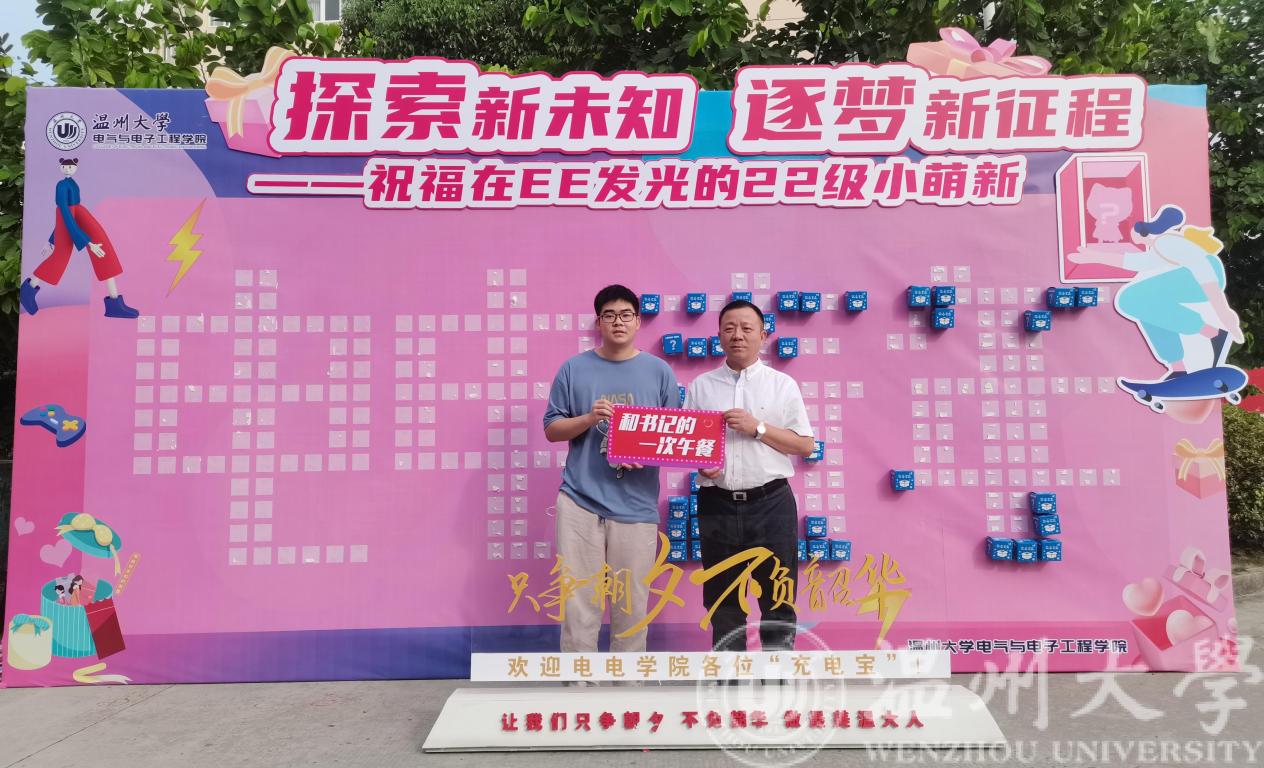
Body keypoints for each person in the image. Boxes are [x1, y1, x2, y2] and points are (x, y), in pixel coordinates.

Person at [543, 285, 678, 656]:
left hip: (636, 505)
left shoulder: (659, 372)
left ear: (638, 321)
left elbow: (673, 435)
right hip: (580, 500)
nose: (618, 322)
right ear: (598, 322)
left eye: (626, 315)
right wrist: (588, 418)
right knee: (579, 602)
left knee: (632, 605)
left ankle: (628, 686)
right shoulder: (574, 369)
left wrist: (644, 455)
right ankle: (578, 683)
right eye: (609, 315)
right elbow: (552, 428)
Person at [685, 299, 815, 652]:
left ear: (763, 335)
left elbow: (805, 445)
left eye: (746, 328)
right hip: (716, 502)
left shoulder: (782, 384)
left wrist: (757, 427)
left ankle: (778, 675)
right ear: (719, 336)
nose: (737, 335)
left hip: (771, 502)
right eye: (729, 328)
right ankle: (729, 678)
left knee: (778, 598)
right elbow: (691, 445)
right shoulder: (701, 386)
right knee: (722, 599)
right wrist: (701, 464)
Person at [1070, 205, 1241, 377]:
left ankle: (1212, 333)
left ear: (1140, 231)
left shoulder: (1166, 242)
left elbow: (1202, 268)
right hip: (1196, 278)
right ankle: (1177, 368)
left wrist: (1222, 311)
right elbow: (1133, 262)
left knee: (1131, 298)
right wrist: (1095, 257)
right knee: (1146, 309)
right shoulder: (1160, 247)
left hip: (1204, 277)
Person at [20, 158, 139, 319]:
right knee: (60, 257)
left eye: (71, 166)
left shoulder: (72, 183)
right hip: (70, 214)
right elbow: (65, 216)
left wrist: (52, 240)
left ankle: (114, 303)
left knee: (104, 248)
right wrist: (88, 243)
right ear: (61, 167)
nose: (68, 169)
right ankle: (28, 290)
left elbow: (68, 217)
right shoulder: (61, 186)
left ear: (75, 167)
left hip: (79, 212)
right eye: (65, 166)